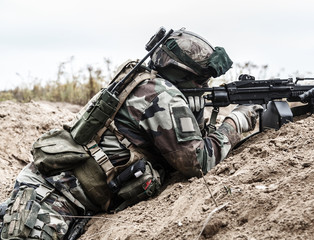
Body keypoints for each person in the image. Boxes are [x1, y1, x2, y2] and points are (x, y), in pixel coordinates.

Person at [0, 27, 261, 239]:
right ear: (182, 72)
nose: (204, 85)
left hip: (62, 192)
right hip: (50, 199)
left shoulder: (142, 78)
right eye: (201, 80)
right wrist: (237, 121)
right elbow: (199, 162)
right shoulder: (160, 96)